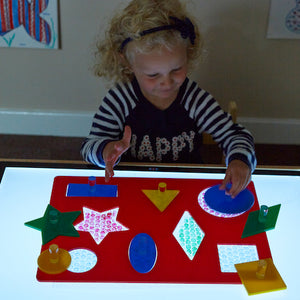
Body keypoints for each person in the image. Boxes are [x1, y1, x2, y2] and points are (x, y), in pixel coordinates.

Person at [81, 0, 256, 198]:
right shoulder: (120, 99)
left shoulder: (194, 98)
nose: (167, 82)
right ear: (128, 63)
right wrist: (106, 150)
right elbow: (89, 146)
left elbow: (235, 135)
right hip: (133, 186)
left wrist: (240, 160)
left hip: (186, 185)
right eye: (153, 75)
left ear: (188, 56)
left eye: (176, 69)